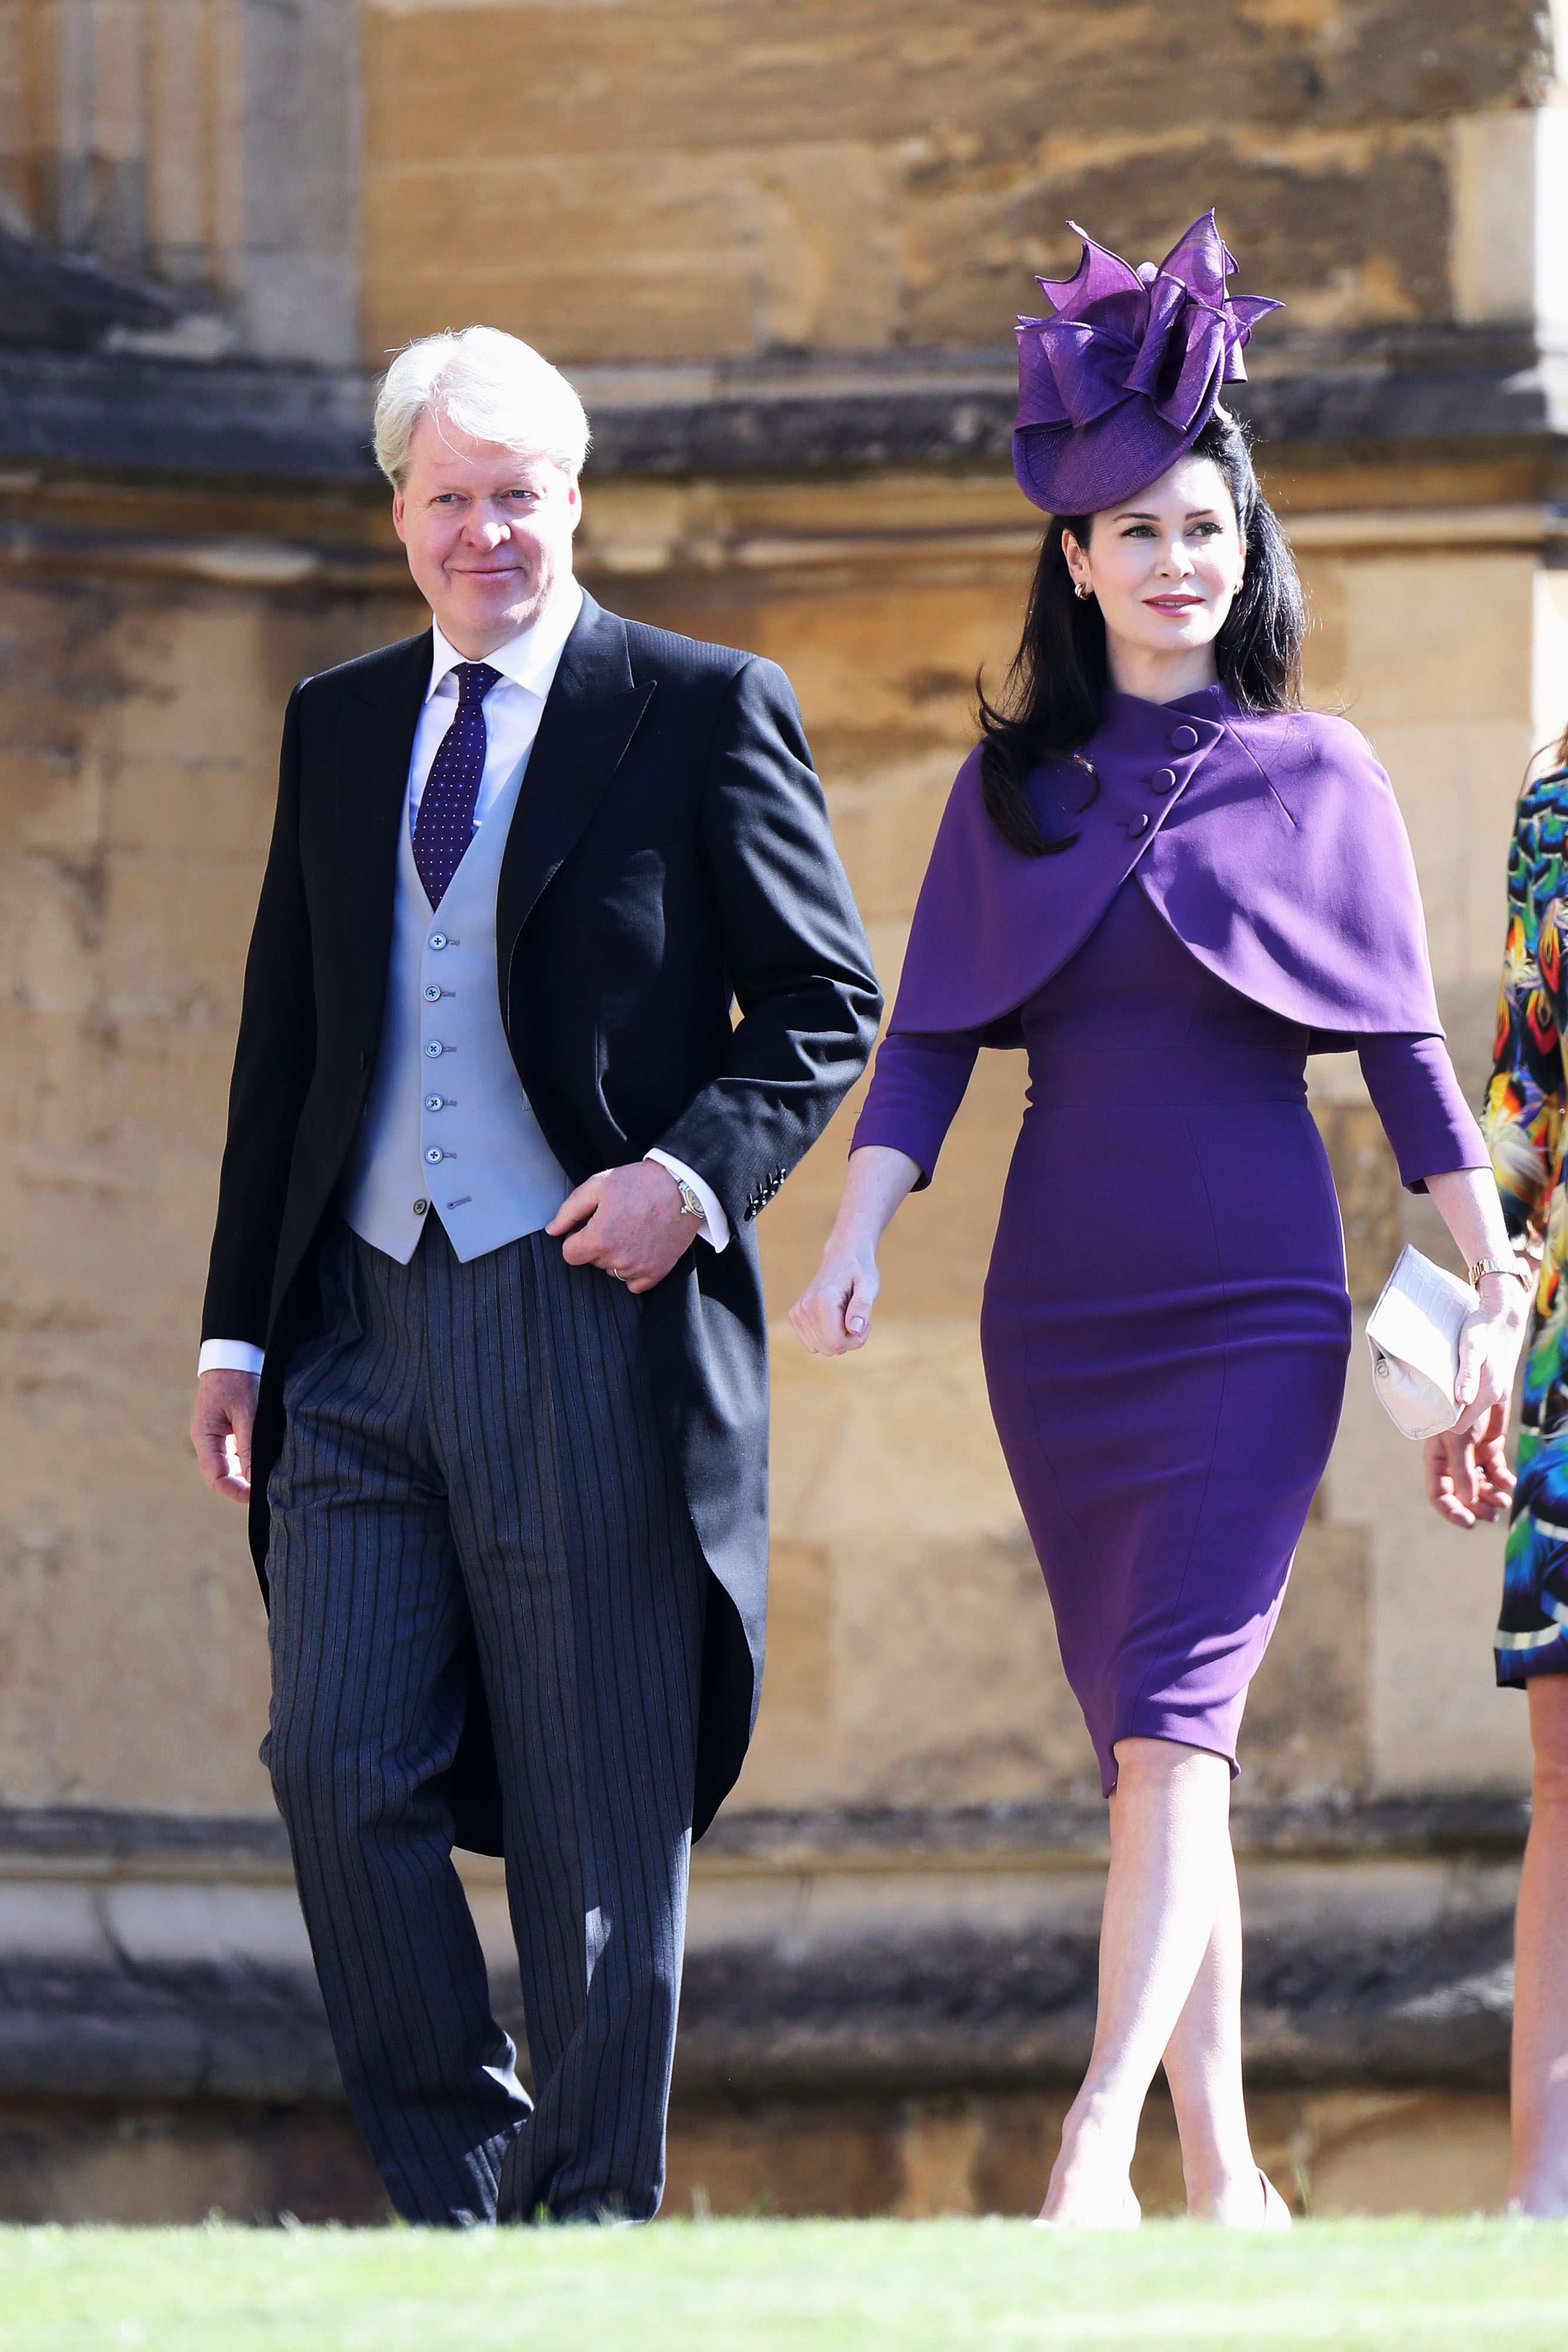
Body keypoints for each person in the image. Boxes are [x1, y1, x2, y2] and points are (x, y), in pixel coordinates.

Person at [791, 213, 1529, 2227]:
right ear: (1076, 557)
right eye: (1133, 530)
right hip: (1063, 1312)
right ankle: (1225, 2167)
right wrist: (858, 1230)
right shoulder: (1008, 789)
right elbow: (932, 1041)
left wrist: (1497, 1270)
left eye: (1203, 524)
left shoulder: (1326, 774)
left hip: (1253, 1309)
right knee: (1150, 1746)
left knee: (1176, 1737)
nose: (1173, 557)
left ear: (1241, 541)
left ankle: (1090, 2140)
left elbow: (1403, 1062)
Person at [188, 326, 880, 2226]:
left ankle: (578, 2239)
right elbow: (288, 1040)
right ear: (396, 511)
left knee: (593, 1809)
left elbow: (825, 1005)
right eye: (449, 498)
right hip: (351, 1323)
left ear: (573, 501)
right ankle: (461, 2194)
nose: (485, 530)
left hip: (577, 1309)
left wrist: (686, 1180)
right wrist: (237, 1326)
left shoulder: (696, 701)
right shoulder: (337, 720)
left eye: (519, 495)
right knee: (334, 1765)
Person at [1425, 717, 1568, 2217]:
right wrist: (1472, 1318)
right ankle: (1544, 2203)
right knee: (1565, 1774)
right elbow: (1524, 1092)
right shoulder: (1559, 792)